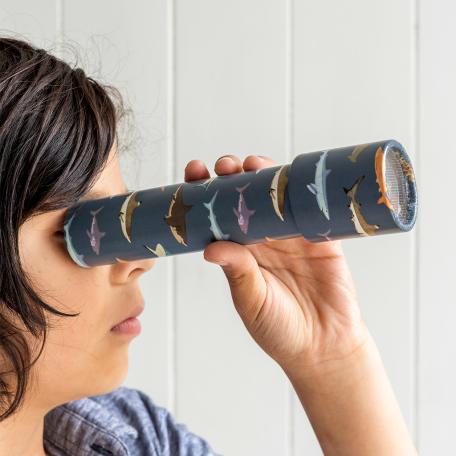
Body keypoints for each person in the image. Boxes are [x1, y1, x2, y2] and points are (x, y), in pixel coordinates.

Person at [0, 36, 417, 456]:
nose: (139, 262)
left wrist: (332, 358)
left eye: (122, 215)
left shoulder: (136, 438)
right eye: (89, 231)